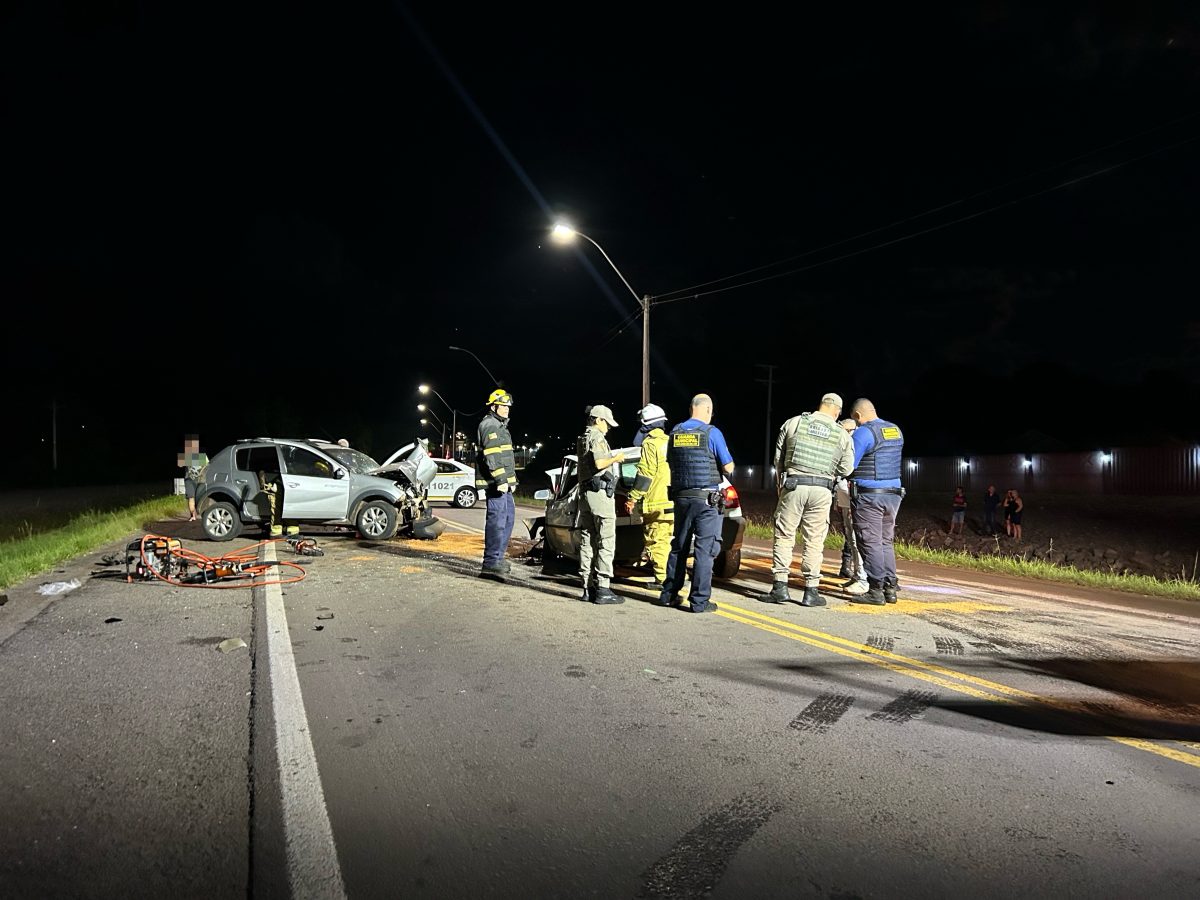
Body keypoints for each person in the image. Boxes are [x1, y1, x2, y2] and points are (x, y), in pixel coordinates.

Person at [762, 392, 855, 607]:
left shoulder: (794, 423)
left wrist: (780, 486)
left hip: (794, 485)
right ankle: (811, 591)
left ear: (821, 405)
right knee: (814, 539)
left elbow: (778, 459)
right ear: (837, 411)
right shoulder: (841, 433)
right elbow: (847, 468)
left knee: (785, 535)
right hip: (822, 490)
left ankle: (780, 587)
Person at [658, 394, 735, 614]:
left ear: (691, 408)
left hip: (681, 497)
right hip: (706, 500)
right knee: (704, 549)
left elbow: (671, 463)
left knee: (679, 545)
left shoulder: (674, 433)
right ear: (708, 410)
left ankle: (669, 594)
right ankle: (699, 601)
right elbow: (728, 467)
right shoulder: (712, 433)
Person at [847, 398, 905, 606]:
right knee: (884, 541)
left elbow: (848, 465)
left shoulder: (864, 432)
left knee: (870, 541)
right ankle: (890, 588)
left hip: (869, 495)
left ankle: (875, 589)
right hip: (893, 494)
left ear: (857, 416)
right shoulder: (895, 430)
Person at [576, 405, 626, 604]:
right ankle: (603, 588)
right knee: (606, 540)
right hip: (599, 496)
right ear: (598, 420)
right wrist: (616, 458)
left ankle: (587, 586)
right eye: (607, 423)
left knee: (587, 540)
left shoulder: (583, 438)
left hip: (586, 494)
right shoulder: (596, 437)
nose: (609, 428)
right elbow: (599, 463)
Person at [624, 403, 673, 589]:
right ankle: (675, 574)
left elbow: (645, 473)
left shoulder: (650, 444)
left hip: (656, 502)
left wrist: (632, 498)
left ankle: (663, 580)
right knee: (668, 540)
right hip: (671, 502)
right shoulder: (670, 441)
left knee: (656, 541)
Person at [475, 389, 518, 581]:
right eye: (504, 406)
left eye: (508, 406)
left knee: (507, 519)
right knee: (497, 522)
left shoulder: (500, 426)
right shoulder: (490, 425)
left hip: (505, 485)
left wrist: (512, 481)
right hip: (495, 484)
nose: (507, 409)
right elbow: (492, 456)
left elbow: (505, 457)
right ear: (494, 407)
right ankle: (491, 562)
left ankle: (498, 559)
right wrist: (501, 480)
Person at [834, 419, 869, 596]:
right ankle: (857, 575)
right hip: (844, 498)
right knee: (850, 537)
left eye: (847, 430)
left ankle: (863, 577)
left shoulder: (858, 447)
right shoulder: (844, 446)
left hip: (853, 496)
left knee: (856, 538)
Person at [178, 435, 209, 522]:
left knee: (202, 497)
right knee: (191, 497)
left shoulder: (202, 455)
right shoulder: (185, 455)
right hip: (189, 479)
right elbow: (180, 464)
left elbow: (207, 466)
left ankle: (205, 515)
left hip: (200, 479)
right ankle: (193, 515)